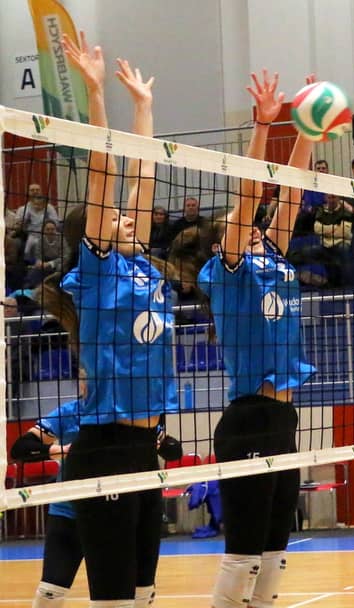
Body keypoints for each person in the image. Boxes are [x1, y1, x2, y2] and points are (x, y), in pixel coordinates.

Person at [50, 33, 175, 605]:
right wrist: (96, 94)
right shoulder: (97, 272)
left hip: (145, 449)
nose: (128, 217)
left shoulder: (142, 266)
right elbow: (104, 177)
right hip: (104, 449)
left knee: (144, 590)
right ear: (93, 234)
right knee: (115, 594)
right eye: (115, 218)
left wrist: (143, 107)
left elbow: (143, 179)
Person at [193, 70, 320, 608]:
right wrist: (264, 126)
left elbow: (290, 192)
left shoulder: (275, 260)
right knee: (245, 548)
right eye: (237, 225)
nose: (249, 227)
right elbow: (250, 194)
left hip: (284, 417)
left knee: (275, 548)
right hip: (248, 418)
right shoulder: (227, 271)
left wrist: (308, 128)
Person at [9, 369, 183, 607]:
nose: (90, 384)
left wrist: (158, 442)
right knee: (50, 593)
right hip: (69, 512)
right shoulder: (70, 413)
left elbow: (174, 451)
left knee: (135, 593)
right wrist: (62, 450)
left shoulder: (132, 418)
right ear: (80, 384)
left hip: (117, 514)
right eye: (85, 379)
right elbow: (20, 448)